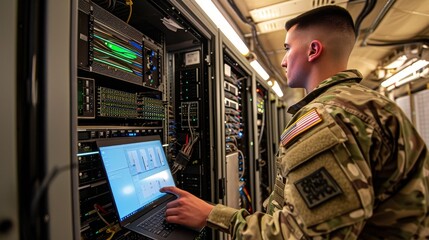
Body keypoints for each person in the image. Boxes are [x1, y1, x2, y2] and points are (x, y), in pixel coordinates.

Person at [161, 5, 429, 239]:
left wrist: (212, 214)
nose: (283, 60)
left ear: (313, 50)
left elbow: (302, 236)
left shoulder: (326, 119)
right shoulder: (372, 103)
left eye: (288, 48)